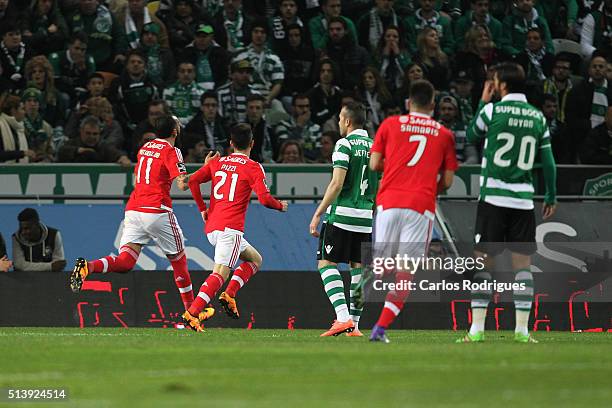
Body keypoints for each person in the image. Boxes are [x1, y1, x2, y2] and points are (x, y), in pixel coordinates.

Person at [70, 115, 214, 325]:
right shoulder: (172, 151)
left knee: (126, 261)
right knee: (179, 262)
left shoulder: (145, 147)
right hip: (157, 211)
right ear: (175, 132)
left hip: (134, 210)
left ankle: (88, 267)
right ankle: (192, 314)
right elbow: (182, 184)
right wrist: (206, 168)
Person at [459, 62, 557, 344]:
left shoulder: (492, 111)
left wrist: (482, 100)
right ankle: (523, 332)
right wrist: (550, 195)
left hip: (493, 198)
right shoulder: (538, 117)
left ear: (502, 84)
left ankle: (477, 331)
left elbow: (472, 134)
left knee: (484, 265)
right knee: (522, 266)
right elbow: (548, 162)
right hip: (523, 201)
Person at [368, 80, 458, 343]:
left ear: (409, 103)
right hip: (420, 206)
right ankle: (380, 328)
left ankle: (365, 286)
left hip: (388, 202)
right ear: (432, 104)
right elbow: (449, 181)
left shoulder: (389, 124)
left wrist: (397, 167)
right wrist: (429, 185)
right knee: (405, 273)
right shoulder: (444, 134)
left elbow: (374, 165)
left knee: (381, 267)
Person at [182, 123, 289, 331]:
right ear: (252, 143)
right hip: (230, 229)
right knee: (220, 273)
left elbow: (193, 182)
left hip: (213, 228)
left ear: (231, 143)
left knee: (255, 259)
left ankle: (229, 295)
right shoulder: (253, 167)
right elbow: (266, 200)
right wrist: (280, 206)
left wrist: (202, 209)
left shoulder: (217, 162)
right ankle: (192, 314)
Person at [309, 102, 379, 337]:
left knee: (326, 264)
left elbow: (337, 183)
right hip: (365, 217)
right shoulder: (375, 146)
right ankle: (355, 326)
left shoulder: (344, 144)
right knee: (358, 269)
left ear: (348, 121)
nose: (339, 122)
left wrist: (319, 212)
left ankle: (342, 318)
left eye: (340, 118)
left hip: (342, 216)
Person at [565, 52, 612, 163]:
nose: (597, 69)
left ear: (607, 70)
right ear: (589, 70)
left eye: (601, 67)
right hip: (584, 137)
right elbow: (571, 118)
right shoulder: (577, 91)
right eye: (594, 66)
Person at [57, 115, 130, 166]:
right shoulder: (72, 143)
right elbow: (61, 151)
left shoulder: (103, 146)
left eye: (95, 134)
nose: (91, 137)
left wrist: (123, 158)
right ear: (81, 131)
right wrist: (78, 150)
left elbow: (116, 153)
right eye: (88, 133)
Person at [12, 208, 66, 272]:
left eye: (27, 228)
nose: (23, 232)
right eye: (21, 228)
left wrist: (28, 266)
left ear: (37, 225)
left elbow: (59, 265)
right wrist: (50, 266)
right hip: (22, 280)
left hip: (50, 280)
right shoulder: (17, 238)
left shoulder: (54, 235)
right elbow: (19, 265)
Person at [274, 93, 322, 162]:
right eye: (301, 106)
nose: (305, 109)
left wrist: (299, 153)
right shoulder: (283, 125)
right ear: (293, 108)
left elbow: (317, 152)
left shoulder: (316, 128)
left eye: (307, 106)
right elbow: (284, 148)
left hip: (310, 165)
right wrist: (299, 126)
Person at [162, 61, 205, 126]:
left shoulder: (202, 92)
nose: (186, 74)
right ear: (178, 74)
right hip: (174, 127)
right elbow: (168, 112)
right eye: (182, 71)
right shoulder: (168, 91)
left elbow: (199, 114)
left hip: (194, 127)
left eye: (189, 71)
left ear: (194, 74)